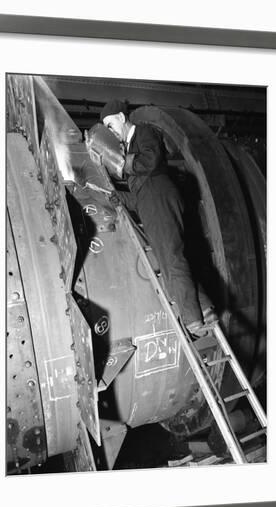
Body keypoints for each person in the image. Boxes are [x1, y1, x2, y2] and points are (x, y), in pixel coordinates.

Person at [100, 99, 216, 336]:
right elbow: (140, 195)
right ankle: (205, 308)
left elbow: (151, 162)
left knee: (172, 258)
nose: (110, 132)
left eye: (110, 125)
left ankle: (194, 319)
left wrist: (122, 164)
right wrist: (118, 197)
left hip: (161, 199)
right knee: (169, 257)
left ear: (121, 118)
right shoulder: (131, 149)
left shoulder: (144, 133)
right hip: (151, 204)